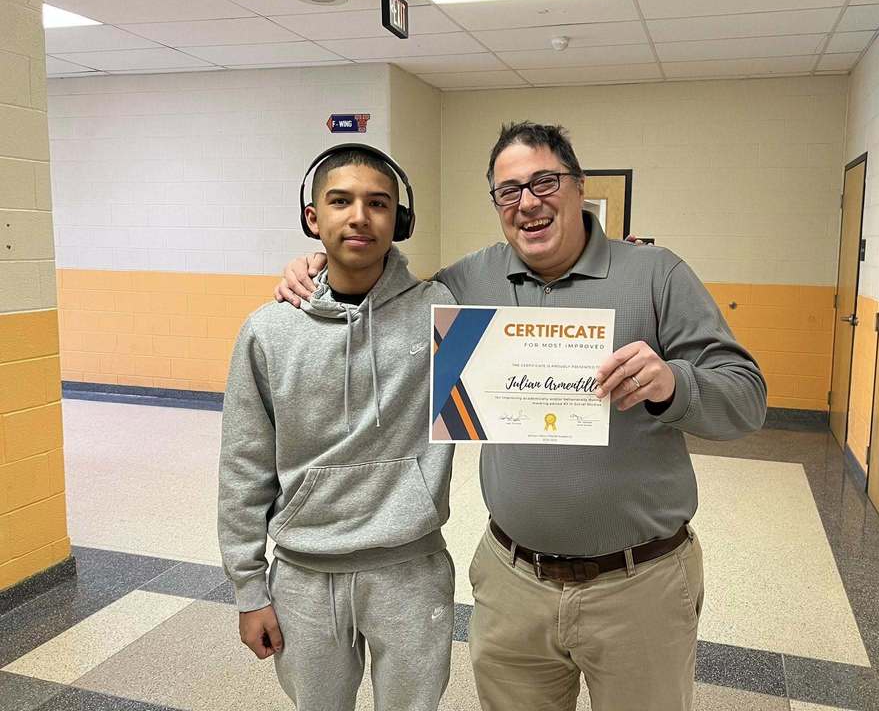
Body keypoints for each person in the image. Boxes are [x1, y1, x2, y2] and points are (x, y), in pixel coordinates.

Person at [274, 123, 768, 710]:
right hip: (512, 583)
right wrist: (319, 266)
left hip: (640, 586)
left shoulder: (656, 274)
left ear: (579, 187)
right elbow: (383, 298)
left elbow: (746, 399)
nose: (527, 202)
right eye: (508, 191)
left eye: (544, 183)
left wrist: (673, 383)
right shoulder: (466, 283)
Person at [219, 144, 457, 711]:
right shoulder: (269, 330)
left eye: (378, 203)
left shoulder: (443, 313)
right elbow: (243, 466)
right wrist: (249, 589)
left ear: (399, 220)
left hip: (410, 568)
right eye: (340, 201)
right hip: (304, 574)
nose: (359, 217)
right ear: (312, 217)